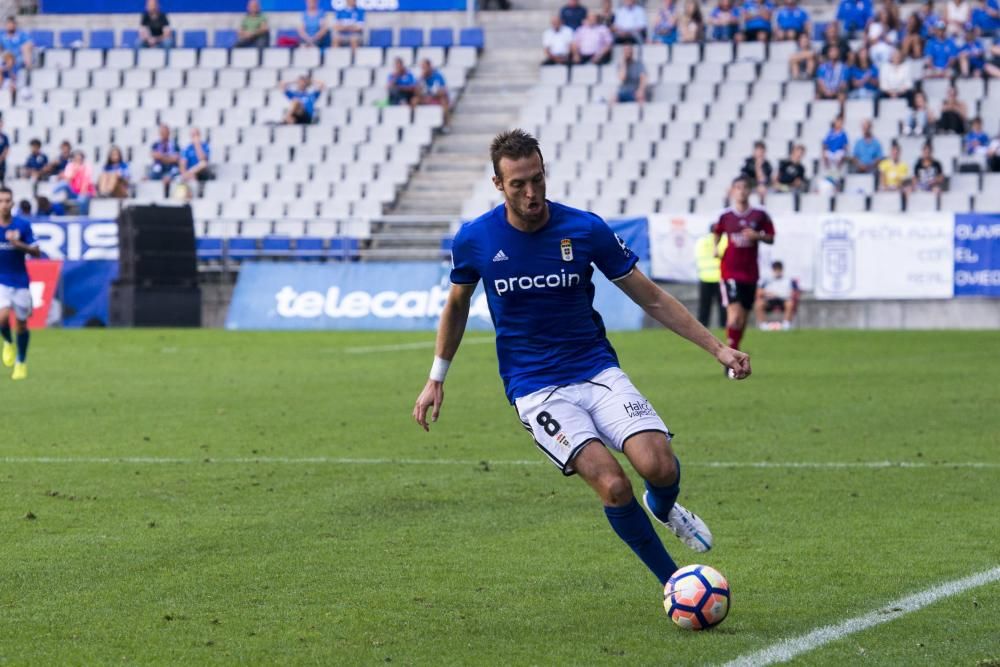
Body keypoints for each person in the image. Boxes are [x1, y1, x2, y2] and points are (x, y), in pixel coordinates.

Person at [413, 129, 750, 592]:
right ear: (498, 184)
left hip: (595, 369)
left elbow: (649, 297)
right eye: (518, 184)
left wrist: (718, 348)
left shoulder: (584, 229)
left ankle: (665, 505)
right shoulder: (475, 239)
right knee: (612, 485)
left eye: (537, 179)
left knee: (660, 466)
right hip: (535, 388)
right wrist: (437, 377)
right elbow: (456, 306)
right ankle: (676, 583)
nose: (531, 193)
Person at [712, 176, 775, 352]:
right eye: (738, 187)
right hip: (730, 271)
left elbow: (771, 237)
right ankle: (729, 355)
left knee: (743, 317)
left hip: (750, 273)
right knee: (734, 315)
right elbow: (717, 233)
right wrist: (716, 248)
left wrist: (758, 236)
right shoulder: (726, 216)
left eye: (745, 187)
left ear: (750, 191)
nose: (741, 191)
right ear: (733, 191)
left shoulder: (760, 215)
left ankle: (735, 348)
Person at [0, 186, 40, 381]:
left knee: (22, 325)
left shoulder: (22, 225)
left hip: (20, 281)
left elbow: (36, 251)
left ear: (12, 203)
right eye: (1, 201)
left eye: (7, 201)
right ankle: (7, 342)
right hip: (1, 281)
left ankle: (21, 362)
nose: (4, 205)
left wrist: (19, 245)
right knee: (2, 316)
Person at [695, 225, 726, 328]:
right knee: (723, 306)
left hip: (704, 276)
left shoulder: (701, 241)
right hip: (720, 277)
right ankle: (723, 327)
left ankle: (702, 328)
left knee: (704, 307)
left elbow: (697, 256)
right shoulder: (724, 240)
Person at [754, 261, 799, 330]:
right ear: (773, 270)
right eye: (775, 269)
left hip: (783, 300)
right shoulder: (766, 280)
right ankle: (763, 325)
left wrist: (786, 294)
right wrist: (768, 293)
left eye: (779, 269)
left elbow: (795, 292)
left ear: (782, 270)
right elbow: (758, 291)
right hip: (770, 300)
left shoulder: (789, 280)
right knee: (759, 304)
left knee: (790, 304)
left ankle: (786, 324)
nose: (777, 271)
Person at [178, 129, 212, 198]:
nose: (195, 137)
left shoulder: (205, 146)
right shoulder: (187, 148)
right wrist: (185, 174)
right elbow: (182, 164)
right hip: (190, 175)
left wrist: (197, 145)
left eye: (196, 135)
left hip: (202, 173)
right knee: (189, 178)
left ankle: (190, 174)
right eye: (193, 135)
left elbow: (203, 159)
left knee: (203, 164)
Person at [414, 59, 450, 124]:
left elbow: (443, 91)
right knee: (414, 100)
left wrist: (431, 96)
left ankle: (445, 124)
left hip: (436, 97)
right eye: (422, 67)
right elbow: (416, 92)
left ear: (429, 66)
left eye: (425, 67)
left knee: (444, 101)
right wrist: (421, 79)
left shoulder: (438, 76)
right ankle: (413, 122)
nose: (423, 69)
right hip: (425, 98)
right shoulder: (420, 78)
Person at [148, 124, 181, 189]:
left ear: (168, 133)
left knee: (176, 175)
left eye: (165, 132)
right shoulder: (156, 144)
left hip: (172, 168)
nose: (163, 134)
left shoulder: (175, 144)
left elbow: (176, 158)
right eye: (162, 132)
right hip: (159, 168)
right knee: (150, 176)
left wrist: (161, 157)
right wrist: (168, 157)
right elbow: (153, 155)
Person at [821, 115, 850, 184]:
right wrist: (824, 152)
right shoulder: (830, 133)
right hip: (831, 152)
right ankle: (828, 171)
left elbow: (845, 145)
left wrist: (845, 152)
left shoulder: (843, 133)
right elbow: (825, 144)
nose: (839, 124)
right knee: (825, 155)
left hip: (839, 152)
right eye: (838, 122)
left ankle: (836, 172)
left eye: (840, 122)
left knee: (841, 155)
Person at [0, 118, 8, 186]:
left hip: (2, 160)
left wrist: (1, 158)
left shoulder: (4, 137)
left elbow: (6, 148)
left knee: (2, 175)